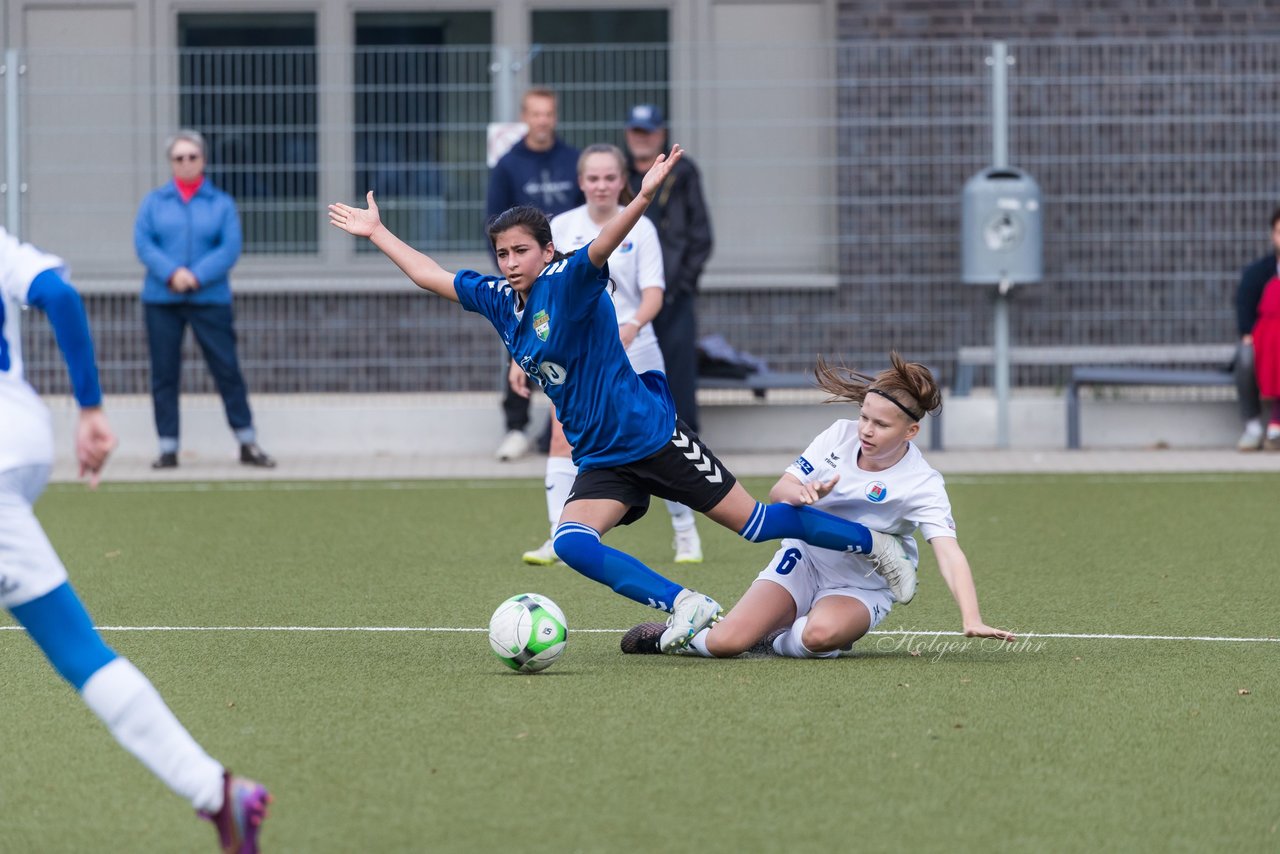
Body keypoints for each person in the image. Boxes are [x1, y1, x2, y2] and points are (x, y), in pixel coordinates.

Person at [328, 145, 918, 653]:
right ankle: (684, 603)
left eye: (520, 251)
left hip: (651, 437)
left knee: (759, 524)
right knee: (571, 542)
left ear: (545, 249)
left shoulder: (569, 280)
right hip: (603, 460)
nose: (510, 263)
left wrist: (640, 199)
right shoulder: (497, 299)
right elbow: (430, 275)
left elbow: (602, 245)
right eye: (502, 253)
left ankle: (874, 543)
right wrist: (377, 232)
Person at [0, 227, 271, 851]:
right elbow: (59, 297)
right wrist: (90, 409)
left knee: (78, 651)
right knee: (76, 651)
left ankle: (215, 792)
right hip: (22, 440)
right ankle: (218, 794)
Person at [620, 354, 1015, 659]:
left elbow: (949, 553)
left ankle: (777, 640)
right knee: (726, 643)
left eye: (881, 425)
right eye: (864, 417)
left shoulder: (922, 483)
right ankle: (665, 637)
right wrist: (804, 493)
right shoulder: (838, 436)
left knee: (818, 636)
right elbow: (780, 492)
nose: (865, 430)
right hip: (804, 562)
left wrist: (971, 616)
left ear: (911, 430)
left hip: (862, 585)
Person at [513, 143, 703, 567]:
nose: (601, 186)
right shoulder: (559, 227)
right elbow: (534, 296)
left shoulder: (643, 229)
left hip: (637, 347)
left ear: (623, 182)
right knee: (562, 433)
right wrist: (518, 354)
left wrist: (633, 325)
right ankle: (559, 536)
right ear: (580, 182)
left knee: (664, 436)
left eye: (609, 178)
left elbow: (654, 292)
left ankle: (685, 533)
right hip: (576, 357)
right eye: (593, 178)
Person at [133, 129, 275, 470]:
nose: (186, 163)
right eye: (179, 158)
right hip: (162, 299)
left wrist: (195, 276)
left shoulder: (221, 204)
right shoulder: (154, 203)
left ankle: (246, 442)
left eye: (192, 157)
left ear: (203, 161)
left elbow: (229, 248)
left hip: (210, 298)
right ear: (171, 163)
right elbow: (144, 244)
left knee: (226, 369)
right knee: (164, 374)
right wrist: (172, 273)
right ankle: (168, 448)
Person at [487, 88, 584, 461]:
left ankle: (564, 428)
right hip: (524, 281)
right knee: (520, 347)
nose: (542, 120)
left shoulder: (573, 160)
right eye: (535, 114)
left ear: (554, 117)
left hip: (564, 278)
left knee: (567, 349)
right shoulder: (508, 165)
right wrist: (512, 270)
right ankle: (515, 428)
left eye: (548, 114)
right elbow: (493, 222)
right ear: (525, 117)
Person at [624, 104, 713, 434]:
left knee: (677, 373)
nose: (642, 139)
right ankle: (638, 437)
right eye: (636, 132)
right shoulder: (621, 175)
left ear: (661, 134)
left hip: (674, 296)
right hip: (632, 298)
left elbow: (701, 236)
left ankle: (686, 440)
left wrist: (679, 284)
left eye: (648, 132)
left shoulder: (683, 172)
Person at [1234, 207, 1280, 451]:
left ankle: (1276, 425)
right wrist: (1250, 335)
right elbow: (1244, 306)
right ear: (1273, 235)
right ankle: (1253, 427)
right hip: (1265, 341)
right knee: (1245, 356)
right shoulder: (1258, 272)